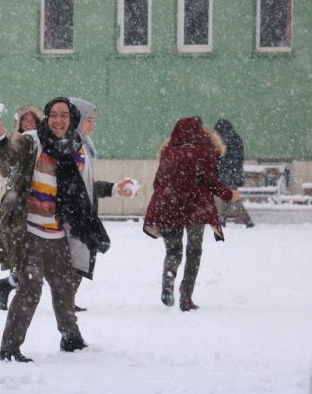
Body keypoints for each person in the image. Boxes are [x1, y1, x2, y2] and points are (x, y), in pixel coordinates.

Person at [0, 97, 110, 362]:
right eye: (53, 115)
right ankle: (10, 348)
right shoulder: (32, 140)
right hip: (29, 231)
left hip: (57, 233)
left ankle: (71, 338)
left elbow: (81, 190)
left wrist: (112, 189)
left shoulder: (76, 149)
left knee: (64, 288)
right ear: (47, 117)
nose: (58, 120)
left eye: (64, 115)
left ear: (72, 119)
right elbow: (7, 155)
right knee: (30, 290)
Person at [143, 117, 240, 312]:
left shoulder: (168, 153)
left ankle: (169, 275)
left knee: (173, 251)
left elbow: (158, 183)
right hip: (196, 208)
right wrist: (229, 194)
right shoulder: (205, 152)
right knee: (194, 251)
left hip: (168, 207)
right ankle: (186, 297)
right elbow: (211, 181)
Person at [68, 97, 138, 312]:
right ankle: (64, 305)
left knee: (79, 256)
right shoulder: (70, 146)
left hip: (80, 212)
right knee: (69, 259)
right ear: (77, 119)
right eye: (89, 120)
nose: (92, 124)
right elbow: (71, 186)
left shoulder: (83, 147)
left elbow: (86, 185)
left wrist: (114, 188)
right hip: (70, 213)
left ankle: (65, 302)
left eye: (94, 120)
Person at [0, 105, 44, 311]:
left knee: (29, 257)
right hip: (19, 205)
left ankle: (5, 285)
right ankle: (9, 288)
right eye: (24, 120)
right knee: (23, 256)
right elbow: (5, 167)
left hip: (37, 203)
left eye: (32, 120)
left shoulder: (39, 141)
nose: (28, 123)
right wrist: (5, 140)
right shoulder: (22, 140)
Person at [214, 118, 254, 228]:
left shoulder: (223, 141)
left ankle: (247, 220)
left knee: (234, 198)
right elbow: (238, 158)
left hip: (228, 174)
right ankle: (222, 219)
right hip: (234, 173)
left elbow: (222, 158)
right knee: (229, 197)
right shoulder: (235, 138)